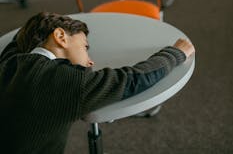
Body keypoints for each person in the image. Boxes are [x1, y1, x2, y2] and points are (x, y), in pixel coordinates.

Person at [0, 12, 195, 154]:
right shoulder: (67, 81)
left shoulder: (8, 62)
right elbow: (134, 79)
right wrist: (175, 52)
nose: (90, 60)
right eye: (85, 47)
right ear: (60, 37)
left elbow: (17, 40)